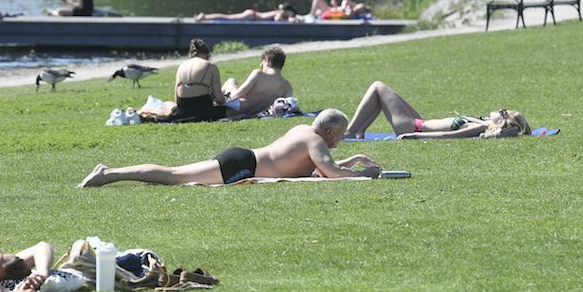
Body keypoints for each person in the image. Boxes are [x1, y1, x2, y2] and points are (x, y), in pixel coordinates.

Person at [78, 109, 382, 187]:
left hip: (243, 158)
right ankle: (109, 173)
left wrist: (352, 160)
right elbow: (330, 172)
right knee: (173, 175)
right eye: (341, 135)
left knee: (176, 175)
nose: (341, 139)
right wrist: (366, 175)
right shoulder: (315, 140)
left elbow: (323, 167)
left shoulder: (304, 131)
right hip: (241, 166)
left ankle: (110, 173)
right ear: (328, 131)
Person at [344, 80, 530, 139]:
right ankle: (358, 131)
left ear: (503, 121)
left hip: (412, 127)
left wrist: (414, 136)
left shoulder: (481, 128)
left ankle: (352, 132)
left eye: (503, 112)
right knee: (381, 95)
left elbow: (447, 137)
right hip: (420, 122)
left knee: (378, 87)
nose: (499, 109)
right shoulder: (483, 124)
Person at [221, 46, 293, 117]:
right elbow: (285, 107)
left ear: (267, 61)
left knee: (231, 81)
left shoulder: (259, 75)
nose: (261, 65)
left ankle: (213, 101)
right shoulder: (287, 87)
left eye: (262, 62)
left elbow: (237, 94)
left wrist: (230, 93)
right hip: (252, 113)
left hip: (234, 109)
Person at [171, 38, 228, 122]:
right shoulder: (210, 66)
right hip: (204, 111)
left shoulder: (181, 66)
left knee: (167, 104)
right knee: (244, 105)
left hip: (182, 111)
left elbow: (176, 100)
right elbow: (219, 99)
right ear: (208, 55)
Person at [195, 4, 297, 22]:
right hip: (252, 16)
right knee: (228, 18)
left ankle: (205, 16)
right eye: (292, 14)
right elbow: (277, 20)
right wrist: (288, 20)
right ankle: (205, 16)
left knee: (228, 17)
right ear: (288, 11)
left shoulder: (280, 11)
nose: (293, 15)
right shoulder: (280, 13)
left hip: (252, 15)